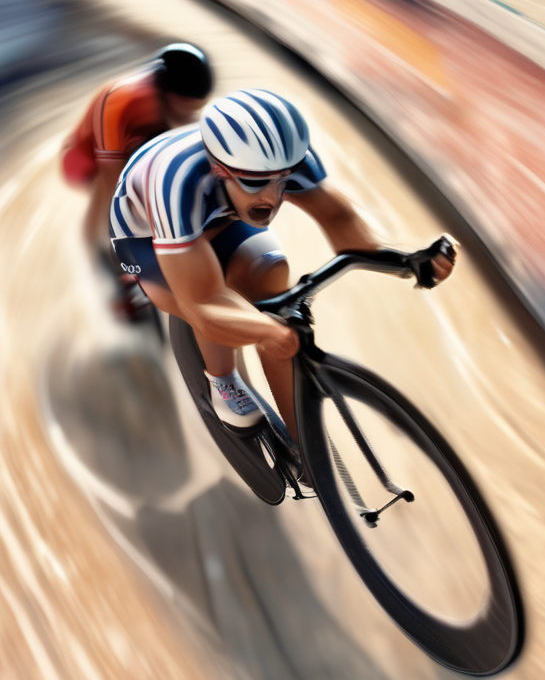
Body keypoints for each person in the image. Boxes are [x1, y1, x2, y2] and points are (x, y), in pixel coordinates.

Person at [109, 88, 457, 449]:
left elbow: (340, 221)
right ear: (219, 168)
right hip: (146, 235)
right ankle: (223, 381)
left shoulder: (280, 163)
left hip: (219, 213)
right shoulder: (178, 179)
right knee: (222, 309)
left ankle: (306, 448)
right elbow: (204, 305)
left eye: (283, 179)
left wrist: (406, 263)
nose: (271, 197)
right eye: (256, 181)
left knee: (271, 272)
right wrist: (265, 331)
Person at [62, 42, 214, 261]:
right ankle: (98, 251)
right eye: (184, 106)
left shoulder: (164, 102)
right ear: (163, 94)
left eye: (194, 108)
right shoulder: (121, 101)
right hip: (81, 159)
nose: (188, 114)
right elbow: (112, 178)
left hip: (132, 144)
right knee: (110, 189)